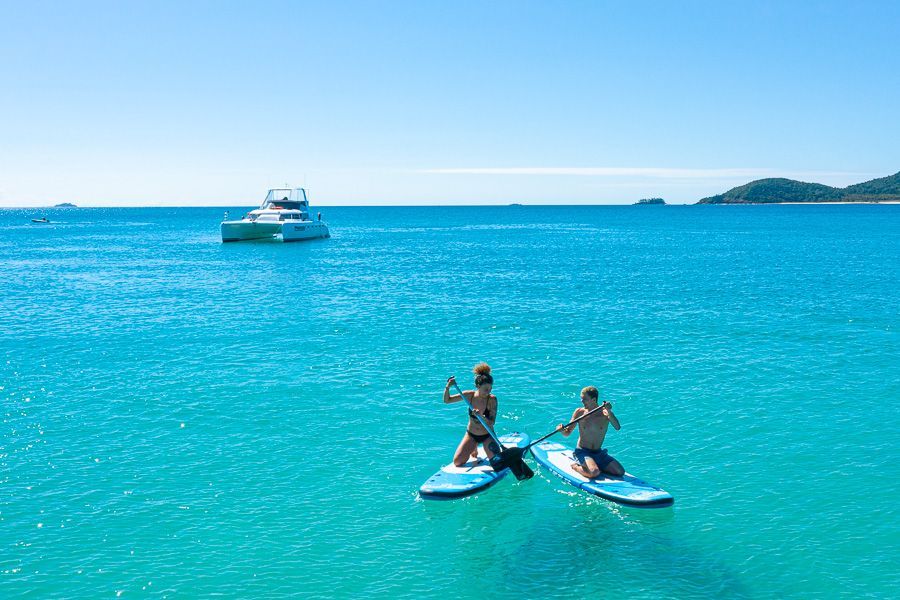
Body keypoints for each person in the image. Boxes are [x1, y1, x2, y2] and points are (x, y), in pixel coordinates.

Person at [557, 386, 624, 478]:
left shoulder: (605, 413)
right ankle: (576, 466)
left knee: (620, 472)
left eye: (584, 399)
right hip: (583, 452)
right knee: (594, 472)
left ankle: (594, 464)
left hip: (598, 452)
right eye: (581, 399)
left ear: (593, 400)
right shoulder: (579, 412)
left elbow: (617, 427)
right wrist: (561, 430)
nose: (582, 401)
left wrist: (609, 411)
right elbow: (567, 433)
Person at [443, 363, 498, 467]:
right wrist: (448, 387)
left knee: (496, 462)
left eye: (490, 388)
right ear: (477, 386)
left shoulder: (492, 399)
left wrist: (481, 416)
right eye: (486, 389)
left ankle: (478, 447)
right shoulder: (469, 395)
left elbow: (492, 422)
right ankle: (474, 446)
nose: (488, 391)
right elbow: (447, 400)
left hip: (487, 435)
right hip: (471, 435)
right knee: (458, 462)